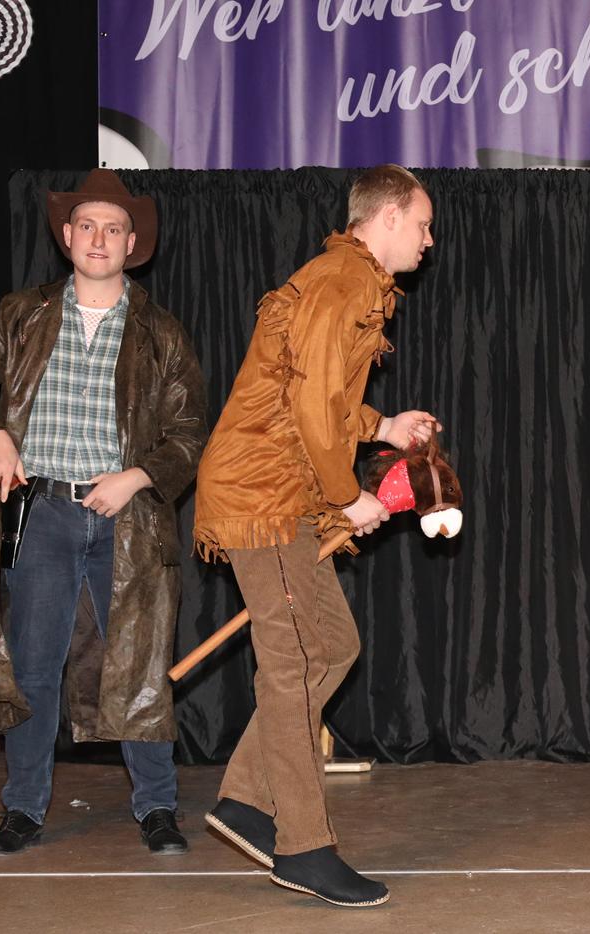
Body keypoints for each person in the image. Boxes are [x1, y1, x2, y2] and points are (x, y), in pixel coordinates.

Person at [191, 164, 439, 907]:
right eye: (423, 224)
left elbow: (321, 395)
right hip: (262, 493)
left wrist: (384, 426)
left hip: (283, 491)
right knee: (295, 660)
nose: (429, 241)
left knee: (331, 646)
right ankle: (302, 846)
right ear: (388, 217)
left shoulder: (350, 279)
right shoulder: (343, 282)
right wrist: (349, 496)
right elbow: (309, 409)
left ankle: (245, 798)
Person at [0, 169, 206, 857]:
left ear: (131, 244)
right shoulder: (21, 314)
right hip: (44, 515)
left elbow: (188, 432)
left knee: (139, 665)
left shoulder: (160, 332)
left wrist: (138, 477)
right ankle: (22, 808)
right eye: (87, 224)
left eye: (113, 228)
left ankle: (158, 807)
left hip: (129, 520)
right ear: (66, 235)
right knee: (31, 667)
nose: (99, 237)